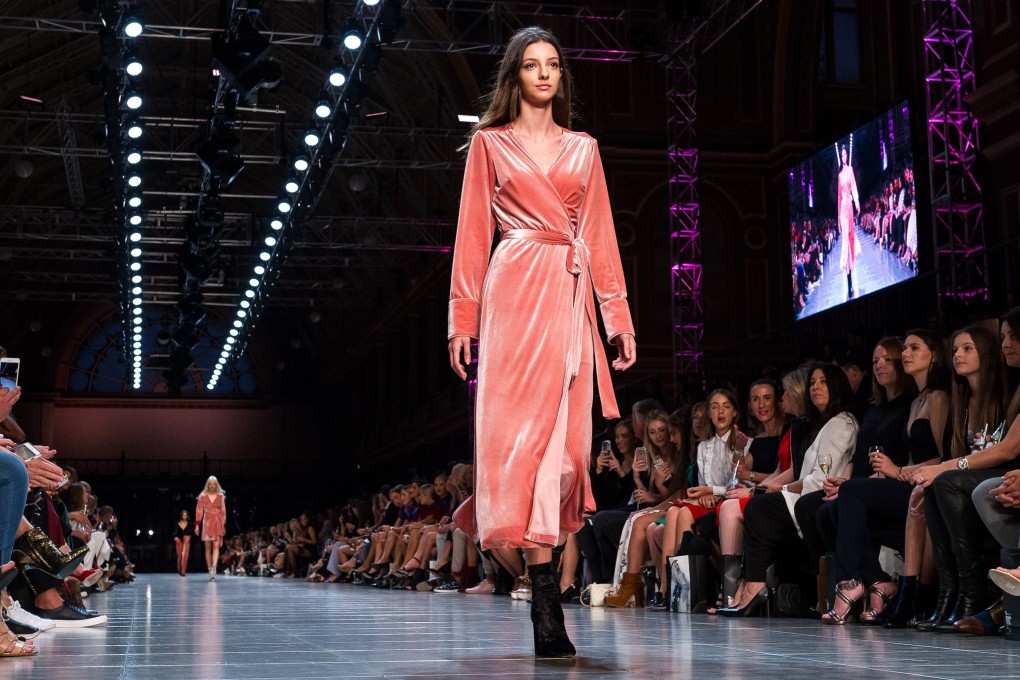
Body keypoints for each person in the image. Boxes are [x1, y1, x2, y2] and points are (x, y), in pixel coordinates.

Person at [446, 25, 636, 657]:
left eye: (554, 64)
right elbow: (473, 235)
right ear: (515, 77)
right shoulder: (489, 146)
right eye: (532, 65)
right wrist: (462, 320)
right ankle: (547, 613)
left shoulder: (584, 149)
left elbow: (602, 234)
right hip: (512, 297)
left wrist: (619, 319)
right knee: (522, 455)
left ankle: (546, 598)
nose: (545, 74)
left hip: (568, 296)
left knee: (568, 460)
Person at [912, 322, 1014, 632]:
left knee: (942, 479)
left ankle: (973, 593)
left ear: (986, 353)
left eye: (967, 349)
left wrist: (942, 469)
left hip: (1001, 474)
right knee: (933, 484)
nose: (958, 355)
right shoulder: (960, 403)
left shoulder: (1008, 394)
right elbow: (952, 456)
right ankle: (949, 592)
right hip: (967, 480)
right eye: (955, 349)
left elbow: (1004, 453)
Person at [836, 144, 860, 299]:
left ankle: (850, 278)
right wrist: (838, 218)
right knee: (845, 241)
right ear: (840, 157)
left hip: (850, 207)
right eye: (842, 155)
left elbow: (855, 188)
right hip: (843, 210)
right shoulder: (839, 175)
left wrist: (857, 203)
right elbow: (838, 198)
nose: (844, 157)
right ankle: (849, 280)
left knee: (850, 241)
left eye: (846, 155)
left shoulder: (850, 170)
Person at [195, 476, 227, 581]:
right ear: (207, 484)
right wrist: (197, 525)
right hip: (207, 522)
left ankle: (214, 569)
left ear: (216, 484)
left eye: (214, 484)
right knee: (208, 548)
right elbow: (199, 511)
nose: (212, 486)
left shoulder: (221, 496)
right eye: (210, 484)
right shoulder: (203, 496)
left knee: (216, 547)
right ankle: (210, 570)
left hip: (217, 521)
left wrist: (223, 525)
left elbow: (223, 512)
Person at [172, 510, 192, 576]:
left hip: (186, 539)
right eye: (183, 515)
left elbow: (190, 531)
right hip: (178, 540)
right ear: (181, 516)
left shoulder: (189, 523)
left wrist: (189, 537)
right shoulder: (177, 523)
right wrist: (175, 537)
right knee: (180, 556)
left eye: (186, 515)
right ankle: (179, 570)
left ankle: (183, 571)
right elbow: (175, 531)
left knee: (185, 555)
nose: (185, 516)